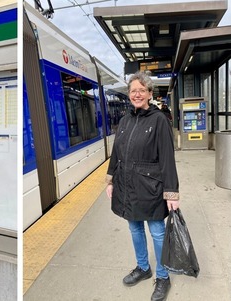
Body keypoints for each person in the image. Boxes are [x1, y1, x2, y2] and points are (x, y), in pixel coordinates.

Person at [105, 72, 179, 301]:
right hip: (127, 185)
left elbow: (167, 158)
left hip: (151, 187)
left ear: (149, 93)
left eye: (141, 90)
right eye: (132, 91)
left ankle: (163, 276)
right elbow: (116, 152)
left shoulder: (159, 120)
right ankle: (143, 268)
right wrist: (110, 179)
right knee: (135, 228)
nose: (136, 94)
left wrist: (172, 192)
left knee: (157, 232)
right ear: (129, 95)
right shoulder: (125, 121)